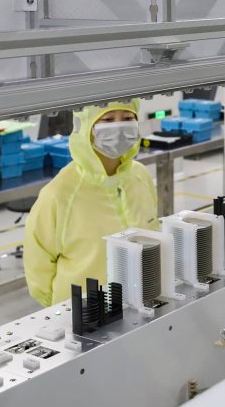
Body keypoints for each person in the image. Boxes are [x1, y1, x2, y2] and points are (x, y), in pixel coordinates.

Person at [24, 100, 158, 307]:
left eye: (128, 118)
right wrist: (65, 311)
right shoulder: (59, 194)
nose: (119, 127)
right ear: (86, 127)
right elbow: (37, 266)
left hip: (138, 302)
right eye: (108, 119)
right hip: (83, 314)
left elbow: (152, 234)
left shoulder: (141, 176)